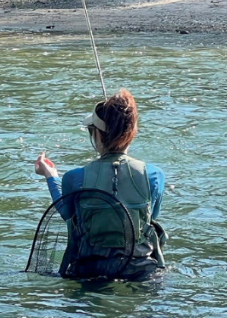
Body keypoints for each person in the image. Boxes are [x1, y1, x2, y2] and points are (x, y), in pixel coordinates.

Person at [34, 88, 167, 281]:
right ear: (131, 132)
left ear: (97, 135)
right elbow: (151, 217)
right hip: (140, 274)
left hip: (88, 273)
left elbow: (67, 213)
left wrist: (50, 176)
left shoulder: (74, 177)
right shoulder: (154, 176)